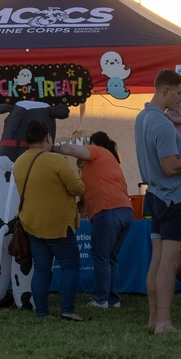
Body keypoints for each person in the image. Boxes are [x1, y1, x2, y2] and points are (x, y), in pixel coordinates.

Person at [135, 68, 181, 333]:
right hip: (174, 198)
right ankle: (164, 323)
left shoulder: (142, 117)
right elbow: (171, 166)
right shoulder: (163, 125)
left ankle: (154, 319)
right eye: (178, 93)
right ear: (165, 91)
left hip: (155, 196)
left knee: (157, 262)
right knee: (170, 264)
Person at [12, 119, 85, 321]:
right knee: (70, 266)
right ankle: (68, 310)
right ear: (48, 138)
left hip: (32, 224)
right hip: (59, 225)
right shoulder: (56, 160)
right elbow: (78, 188)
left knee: (42, 270)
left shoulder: (19, 162)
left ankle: (42, 312)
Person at [54, 130, 133, 309]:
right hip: (124, 210)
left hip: (108, 210)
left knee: (101, 257)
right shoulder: (110, 161)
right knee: (111, 257)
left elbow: (74, 150)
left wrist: (52, 148)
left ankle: (101, 299)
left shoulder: (98, 151)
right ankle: (113, 299)